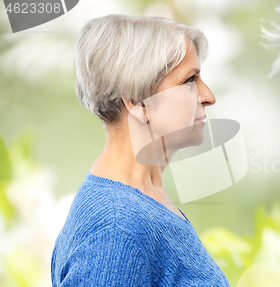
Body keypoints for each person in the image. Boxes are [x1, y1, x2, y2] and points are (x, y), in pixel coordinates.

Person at [51, 14, 230, 286]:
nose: (208, 96)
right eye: (189, 81)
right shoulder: (116, 226)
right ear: (137, 102)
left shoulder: (145, 200)